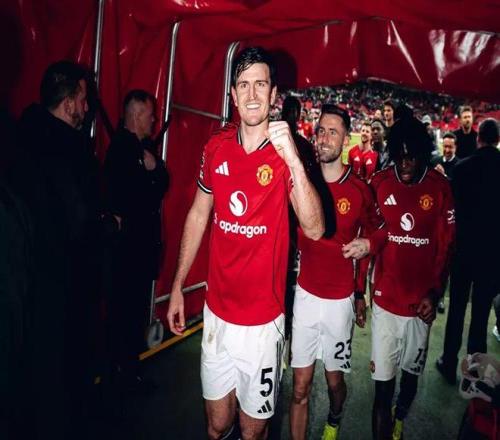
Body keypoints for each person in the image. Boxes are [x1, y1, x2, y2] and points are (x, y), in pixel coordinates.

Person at [166, 47, 324, 440]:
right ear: (233, 95)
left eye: (260, 84)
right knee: (217, 425)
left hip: (263, 324)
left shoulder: (288, 153)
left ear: (274, 94)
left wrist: (293, 160)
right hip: (217, 316)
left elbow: (315, 228)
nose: (252, 94)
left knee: (253, 431)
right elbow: (198, 214)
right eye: (243, 85)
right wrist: (177, 285)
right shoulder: (215, 148)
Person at [345, 116, 455, 440]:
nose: (405, 163)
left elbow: (446, 248)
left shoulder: (440, 188)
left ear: (422, 153)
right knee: (382, 390)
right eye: (399, 155)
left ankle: (401, 415)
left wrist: (435, 293)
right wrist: (360, 292)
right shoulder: (379, 184)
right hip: (385, 303)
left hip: (421, 306)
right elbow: (367, 241)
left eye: (411, 155)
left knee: (409, 381)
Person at [8, 60, 101, 440]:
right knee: (59, 384)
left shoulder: (17, 137)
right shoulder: (70, 152)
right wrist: (107, 226)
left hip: (20, 287)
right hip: (60, 288)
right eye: (83, 99)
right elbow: (80, 221)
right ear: (68, 103)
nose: (86, 108)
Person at [289, 104, 383, 440]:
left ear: (346, 139)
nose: (325, 138)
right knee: (299, 386)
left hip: (339, 303)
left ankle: (335, 415)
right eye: (321, 131)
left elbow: (380, 230)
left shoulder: (359, 189)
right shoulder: (301, 182)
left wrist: (368, 244)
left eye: (333, 132)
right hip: (305, 297)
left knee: (333, 382)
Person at [103, 89, 168, 391]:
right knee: (125, 315)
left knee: (131, 315)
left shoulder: (140, 148)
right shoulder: (122, 150)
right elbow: (140, 196)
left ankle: (127, 371)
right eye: (149, 114)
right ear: (137, 115)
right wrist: (151, 172)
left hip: (135, 251)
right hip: (127, 252)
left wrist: (153, 169)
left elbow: (162, 182)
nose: (153, 120)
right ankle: (123, 376)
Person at [436, 118, 500, 385]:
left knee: (457, 310)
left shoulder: (462, 169)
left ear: (478, 138)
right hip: (491, 255)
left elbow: (450, 210)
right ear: (497, 140)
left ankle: (449, 362)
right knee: (481, 315)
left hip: (463, 251)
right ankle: (473, 373)